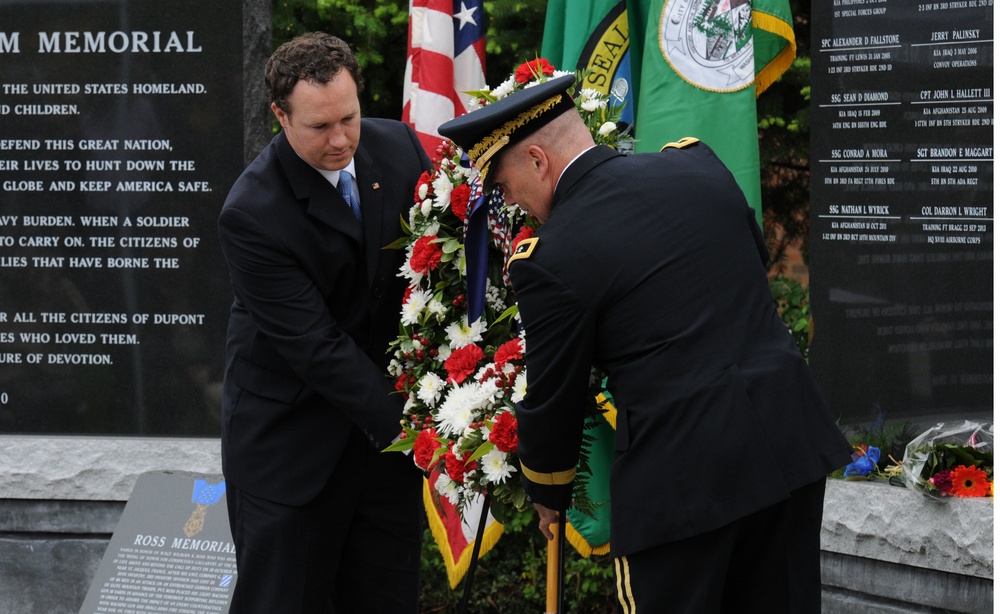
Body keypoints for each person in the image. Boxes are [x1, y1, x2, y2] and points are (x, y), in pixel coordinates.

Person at [438, 75, 852, 613]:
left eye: (505, 184)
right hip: (788, 442)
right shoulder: (697, 164)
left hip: (685, 486)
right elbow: (750, 268)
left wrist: (549, 493)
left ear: (538, 160)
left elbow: (554, 395)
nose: (510, 201)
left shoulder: (551, 256)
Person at [217, 32, 431, 613]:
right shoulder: (251, 213)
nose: (341, 140)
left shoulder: (400, 148)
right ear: (280, 117)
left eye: (350, 118)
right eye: (319, 128)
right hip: (292, 448)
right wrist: (424, 434)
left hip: (382, 454)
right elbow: (317, 348)